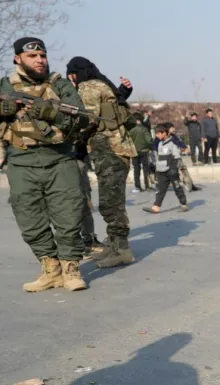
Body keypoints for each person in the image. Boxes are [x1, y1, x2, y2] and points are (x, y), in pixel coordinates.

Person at [0, 37, 90, 291]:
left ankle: (71, 268)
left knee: (69, 214)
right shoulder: (5, 85)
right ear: (18, 59)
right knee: (29, 218)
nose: (40, 60)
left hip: (59, 158)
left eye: (43, 55)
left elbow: (82, 120)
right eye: (33, 57)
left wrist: (48, 111)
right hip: (20, 161)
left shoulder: (59, 85)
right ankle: (51, 269)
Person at [66, 56, 137, 269]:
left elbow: (87, 118)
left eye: (71, 75)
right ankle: (114, 246)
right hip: (112, 149)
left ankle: (122, 250)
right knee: (110, 200)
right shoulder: (101, 84)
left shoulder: (88, 86)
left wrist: (69, 137)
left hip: (110, 149)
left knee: (111, 202)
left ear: (74, 74)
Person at [143, 124, 188, 214]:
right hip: (161, 171)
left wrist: (174, 169)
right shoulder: (159, 143)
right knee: (160, 189)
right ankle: (156, 207)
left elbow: (177, 157)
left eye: (158, 133)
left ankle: (184, 204)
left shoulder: (172, 143)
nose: (156, 135)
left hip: (171, 170)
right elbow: (158, 157)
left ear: (164, 133)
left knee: (177, 187)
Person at [129, 113, 153, 192]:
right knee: (146, 169)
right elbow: (149, 140)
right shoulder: (144, 129)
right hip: (144, 151)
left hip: (134, 152)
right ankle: (147, 185)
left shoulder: (131, 130)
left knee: (136, 169)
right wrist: (151, 146)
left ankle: (137, 187)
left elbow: (128, 141)